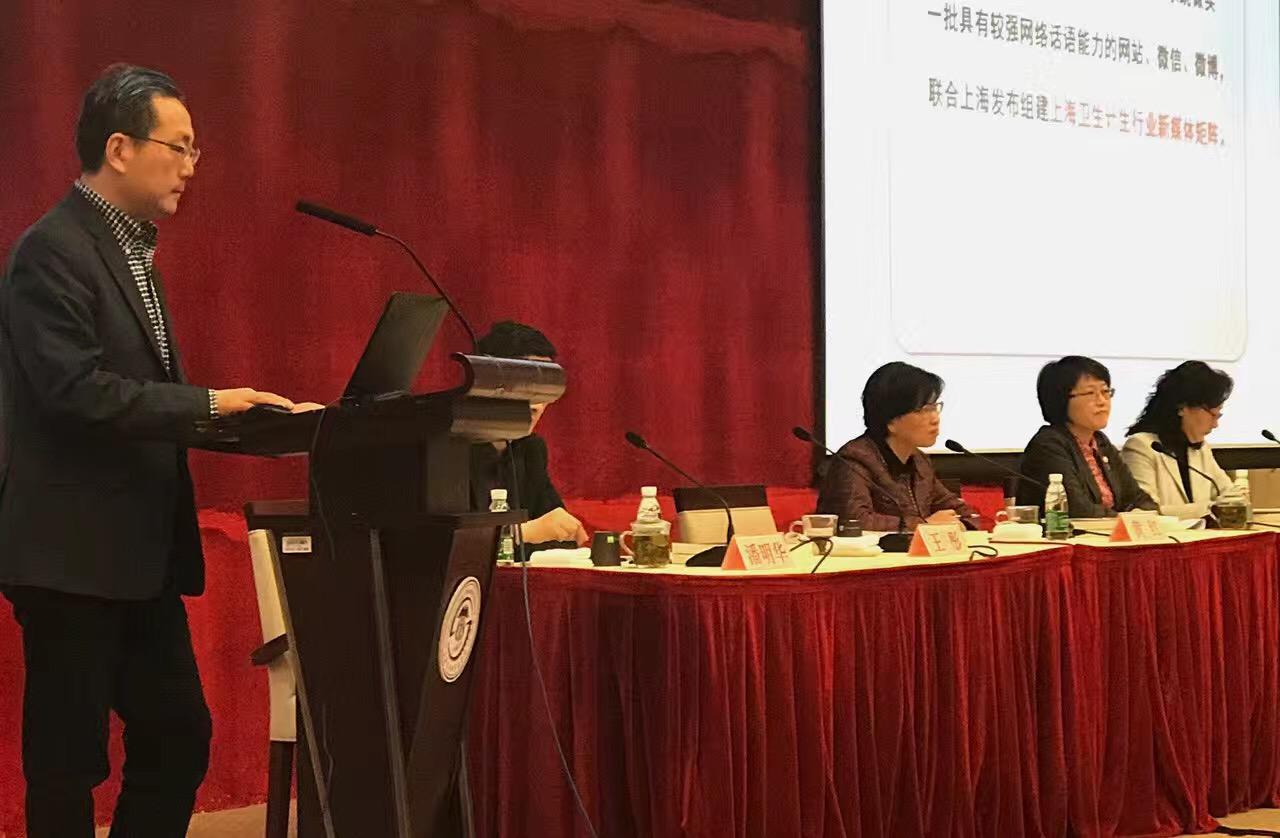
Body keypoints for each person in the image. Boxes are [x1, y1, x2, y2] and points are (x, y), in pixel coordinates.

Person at [0, 64, 309, 837]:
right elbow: (74, 390)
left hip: (138, 557)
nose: (192, 165)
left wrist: (265, 425)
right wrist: (207, 403)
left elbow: (144, 399)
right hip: (70, 556)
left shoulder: (131, 250)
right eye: (180, 146)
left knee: (177, 737)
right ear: (120, 148)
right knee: (68, 763)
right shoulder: (52, 250)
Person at [816, 362, 978, 532]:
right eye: (924, 410)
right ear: (891, 421)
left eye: (935, 407)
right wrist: (923, 525)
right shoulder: (854, 460)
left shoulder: (920, 462)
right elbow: (854, 521)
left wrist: (961, 524)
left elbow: (963, 512)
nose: (935, 419)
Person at [470, 321, 588, 551]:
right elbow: (443, 540)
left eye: (545, 388)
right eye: (526, 386)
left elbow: (558, 532)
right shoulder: (446, 450)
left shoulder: (531, 449)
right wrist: (522, 533)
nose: (536, 405)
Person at [1016, 356, 1156, 517]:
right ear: (1061, 399)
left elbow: (1139, 499)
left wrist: (1141, 515)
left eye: (1105, 391)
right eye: (1090, 393)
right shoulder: (1048, 445)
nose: (1102, 401)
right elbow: (1077, 509)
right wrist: (1126, 519)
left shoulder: (1100, 442)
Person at [1121, 361, 1234, 520]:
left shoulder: (1200, 449)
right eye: (1212, 414)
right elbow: (1145, 511)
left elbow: (1229, 495)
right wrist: (1206, 509)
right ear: (1182, 408)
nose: (1215, 424)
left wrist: (1236, 501)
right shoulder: (1142, 446)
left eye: (1219, 415)